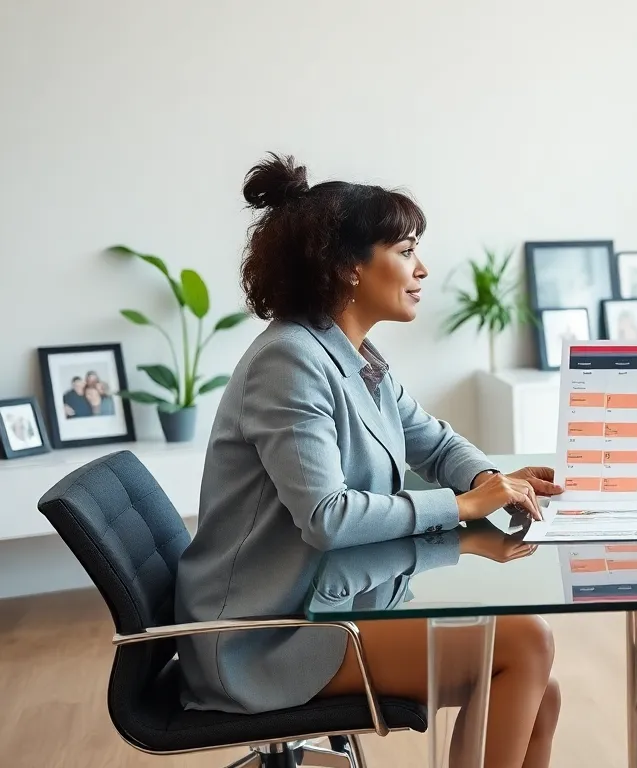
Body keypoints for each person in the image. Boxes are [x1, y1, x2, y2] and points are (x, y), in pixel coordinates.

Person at [174, 153, 564, 768]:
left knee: (540, 686)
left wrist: (490, 479)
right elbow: (327, 517)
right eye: (407, 251)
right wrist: (464, 507)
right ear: (348, 267)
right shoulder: (290, 361)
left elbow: (430, 439)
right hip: (268, 638)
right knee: (524, 644)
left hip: (326, 603)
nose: (422, 269)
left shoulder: (353, 353)